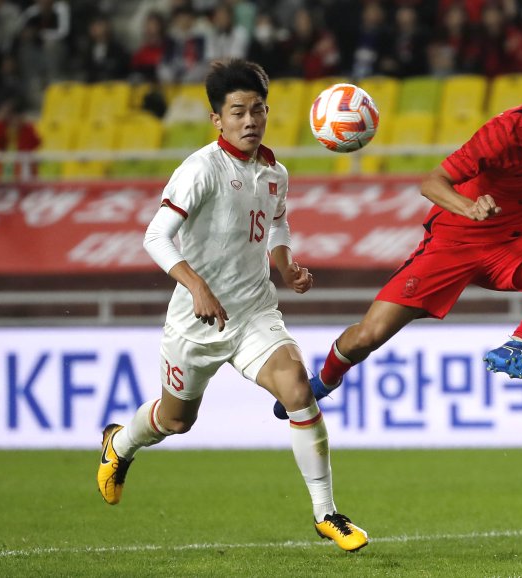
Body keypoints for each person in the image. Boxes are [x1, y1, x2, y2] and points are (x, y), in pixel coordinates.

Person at [272, 56, 522, 420]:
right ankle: (325, 379)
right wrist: (466, 207)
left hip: (506, 245)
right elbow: (432, 182)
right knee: (367, 337)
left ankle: (515, 346)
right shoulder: (505, 132)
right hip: (452, 244)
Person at [96, 58, 368, 553]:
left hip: (253, 313)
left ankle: (326, 513)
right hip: (195, 322)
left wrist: (285, 266)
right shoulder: (200, 169)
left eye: (258, 111)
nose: (250, 121)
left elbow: (277, 225)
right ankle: (120, 444)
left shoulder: (274, 172)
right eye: (238, 112)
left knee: (297, 390)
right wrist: (196, 286)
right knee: (176, 421)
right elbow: (155, 236)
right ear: (217, 119)